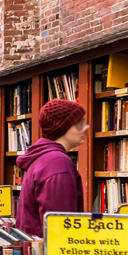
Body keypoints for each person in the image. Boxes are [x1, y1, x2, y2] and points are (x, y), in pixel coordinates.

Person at [17, 99, 87, 235]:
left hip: (36, 250)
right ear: (63, 128)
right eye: (79, 124)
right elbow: (61, 226)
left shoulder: (42, 158)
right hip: (49, 254)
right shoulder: (57, 163)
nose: (86, 128)